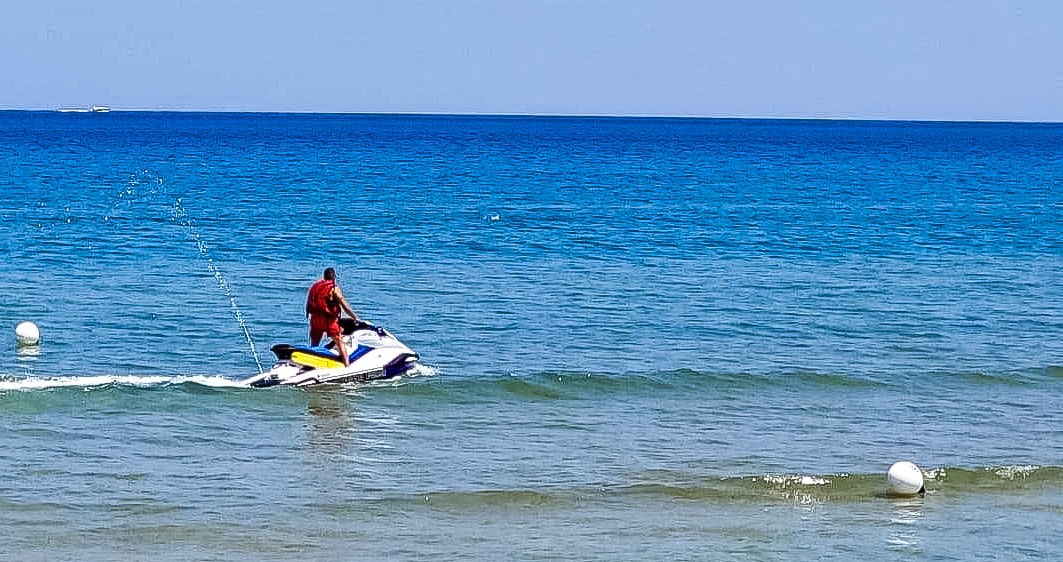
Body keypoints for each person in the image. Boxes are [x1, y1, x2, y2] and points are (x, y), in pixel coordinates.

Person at [305, 267, 360, 366]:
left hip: (315, 319)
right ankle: (347, 367)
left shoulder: (315, 286)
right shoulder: (333, 288)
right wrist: (354, 317)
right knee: (339, 342)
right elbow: (344, 304)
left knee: (314, 344)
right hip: (328, 321)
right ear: (334, 277)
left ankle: (309, 365)